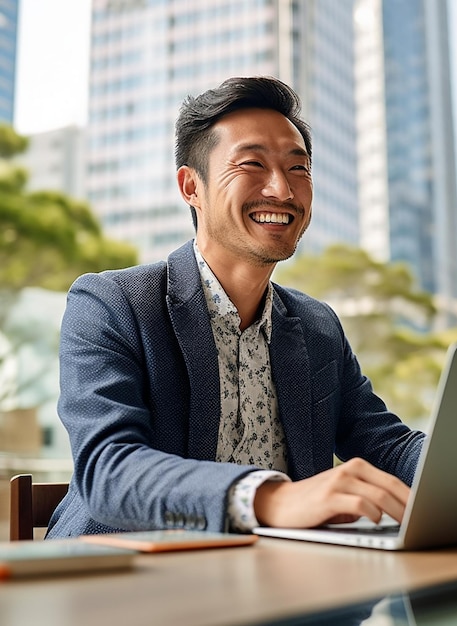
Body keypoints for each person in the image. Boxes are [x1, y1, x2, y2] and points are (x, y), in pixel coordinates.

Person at [46, 76, 426, 538]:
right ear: (191, 187)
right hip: (122, 585)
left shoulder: (317, 326)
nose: (282, 191)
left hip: (282, 584)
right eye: (252, 164)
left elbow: (385, 445)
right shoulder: (111, 305)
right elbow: (109, 470)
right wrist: (270, 497)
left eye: (298, 169)